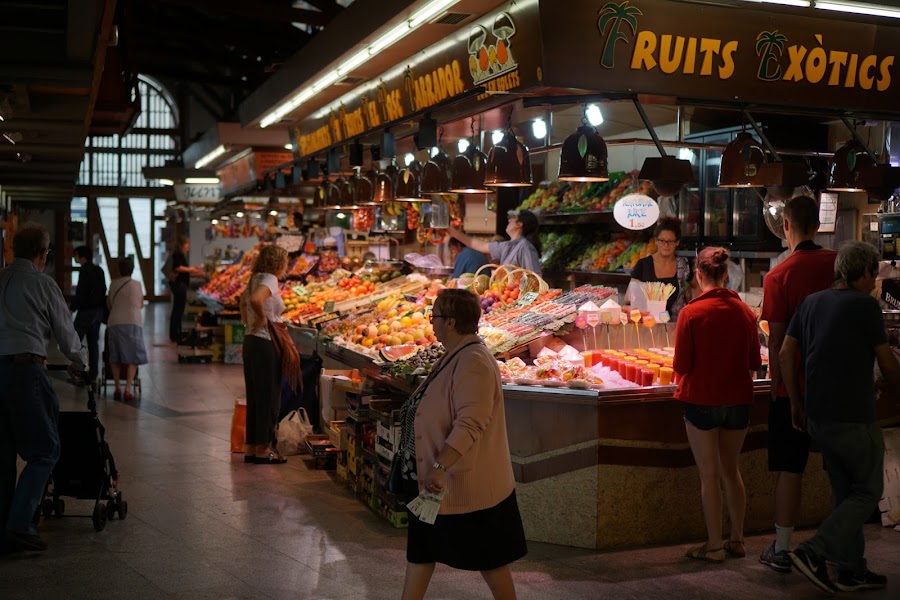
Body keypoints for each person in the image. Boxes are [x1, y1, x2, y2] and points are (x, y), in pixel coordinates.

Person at [781, 241, 897, 593]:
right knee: (868, 491)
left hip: (817, 413)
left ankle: (851, 570)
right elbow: (886, 361)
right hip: (853, 414)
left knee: (845, 491)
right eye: (872, 275)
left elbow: (786, 354)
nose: (874, 283)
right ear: (862, 273)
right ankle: (814, 550)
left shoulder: (811, 302)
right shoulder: (864, 306)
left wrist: (796, 403)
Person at [397, 288, 526, 600]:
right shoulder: (454, 354)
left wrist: (440, 465)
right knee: (422, 552)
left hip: (466, 486)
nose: (431, 322)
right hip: (435, 484)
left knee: (490, 560)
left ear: (451, 322)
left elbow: (470, 423)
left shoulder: (474, 362)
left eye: (435, 316)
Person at [758, 195, 838, 573]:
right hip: (837, 385)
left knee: (791, 468)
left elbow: (775, 339)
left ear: (785, 226)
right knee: (840, 469)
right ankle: (839, 545)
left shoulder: (778, 276)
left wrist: (777, 385)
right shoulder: (839, 264)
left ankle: (784, 548)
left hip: (794, 388)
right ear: (818, 226)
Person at [0, 223, 87, 552]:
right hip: (25, 371)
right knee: (45, 450)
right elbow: (66, 333)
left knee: (4, 454)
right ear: (43, 252)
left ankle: (4, 523)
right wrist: (81, 364)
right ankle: (20, 526)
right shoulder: (42, 283)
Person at [673, 247, 761, 562]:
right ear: (726, 275)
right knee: (731, 470)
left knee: (709, 475)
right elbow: (755, 361)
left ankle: (713, 546)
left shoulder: (690, 313)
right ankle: (737, 540)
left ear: (699, 275)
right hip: (738, 400)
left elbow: (681, 365)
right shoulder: (745, 312)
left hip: (701, 400)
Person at [240, 245, 290, 465]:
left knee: (255, 397)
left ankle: (251, 447)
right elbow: (254, 300)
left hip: (251, 341)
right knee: (269, 396)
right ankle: (263, 449)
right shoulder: (269, 278)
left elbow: (242, 300)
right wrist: (261, 318)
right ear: (278, 262)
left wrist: (248, 323)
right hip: (265, 342)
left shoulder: (255, 277)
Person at [629, 218, 692, 319]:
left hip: (677, 322)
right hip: (649, 323)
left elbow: (697, 287)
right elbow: (629, 298)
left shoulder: (684, 265)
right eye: (662, 240)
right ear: (656, 241)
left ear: (677, 242)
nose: (666, 245)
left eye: (670, 241)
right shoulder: (643, 265)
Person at [448, 209, 541, 275]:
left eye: (513, 218)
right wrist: (451, 231)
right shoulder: (506, 245)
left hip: (517, 299)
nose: (509, 220)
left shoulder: (525, 247)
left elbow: (535, 278)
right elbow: (480, 246)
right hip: (507, 297)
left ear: (519, 224)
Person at [106, 257, 147, 401]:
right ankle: (128, 389)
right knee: (133, 358)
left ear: (119, 269)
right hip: (133, 322)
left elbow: (109, 304)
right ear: (132, 268)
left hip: (114, 322)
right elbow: (141, 304)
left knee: (115, 357)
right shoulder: (137, 284)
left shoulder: (113, 284)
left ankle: (117, 387)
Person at [72, 245, 106, 383]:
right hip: (98, 311)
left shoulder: (84, 270)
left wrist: (73, 307)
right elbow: (103, 289)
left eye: (76, 255)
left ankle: (79, 372)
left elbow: (81, 292)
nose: (74, 258)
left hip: (86, 311)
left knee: (75, 341)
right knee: (94, 344)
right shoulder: (99, 270)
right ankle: (93, 374)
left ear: (82, 256)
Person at [168, 237, 204, 344]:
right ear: (182, 245)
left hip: (180, 285)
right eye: (187, 244)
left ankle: (176, 332)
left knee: (178, 309)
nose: (188, 246)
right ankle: (175, 334)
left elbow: (184, 270)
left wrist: (196, 272)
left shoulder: (181, 255)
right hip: (179, 285)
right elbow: (178, 268)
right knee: (178, 310)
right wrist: (192, 269)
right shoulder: (178, 254)